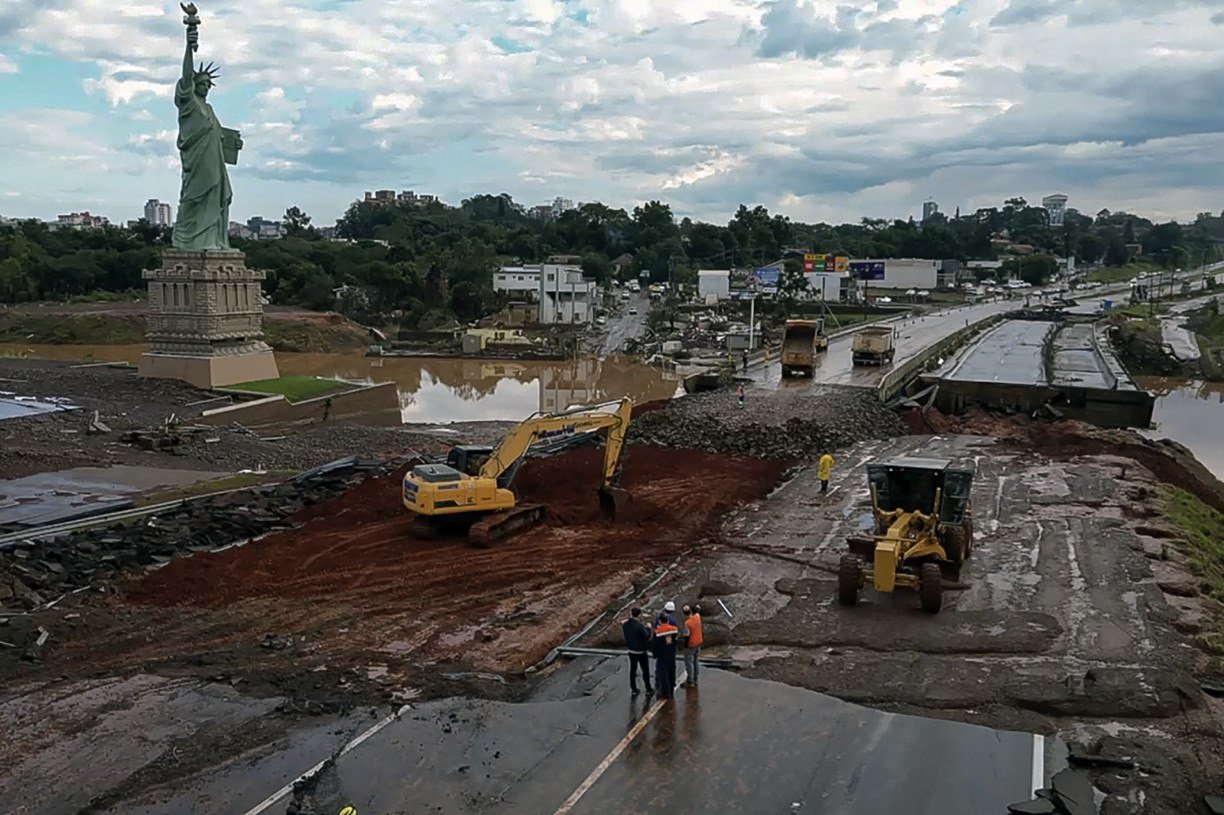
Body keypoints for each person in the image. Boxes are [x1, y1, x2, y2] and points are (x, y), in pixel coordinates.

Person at [622, 607, 653, 697]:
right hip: (641, 651)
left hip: (631, 651)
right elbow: (646, 637)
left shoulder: (625, 625)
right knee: (645, 670)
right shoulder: (639, 626)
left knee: (633, 670)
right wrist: (649, 628)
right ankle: (648, 688)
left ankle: (634, 688)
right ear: (639, 615)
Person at [652, 613, 680, 698]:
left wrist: (655, 655)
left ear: (660, 621)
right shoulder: (674, 629)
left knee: (663, 675)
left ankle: (665, 692)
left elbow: (655, 645)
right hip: (671, 654)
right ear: (667, 621)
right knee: (672, 672)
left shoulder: (657, 632)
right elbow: (676, 640)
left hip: (662, 655)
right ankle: (671, 689)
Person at [682, 604, 703, 688]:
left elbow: (686, 635)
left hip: (691, 644)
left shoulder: (687, 623)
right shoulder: (697, 617)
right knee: (696, 661)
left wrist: (685, 646)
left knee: (689, 663)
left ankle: (690, 680)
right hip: (698, 642)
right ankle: (696, 679)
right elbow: (698, 611)